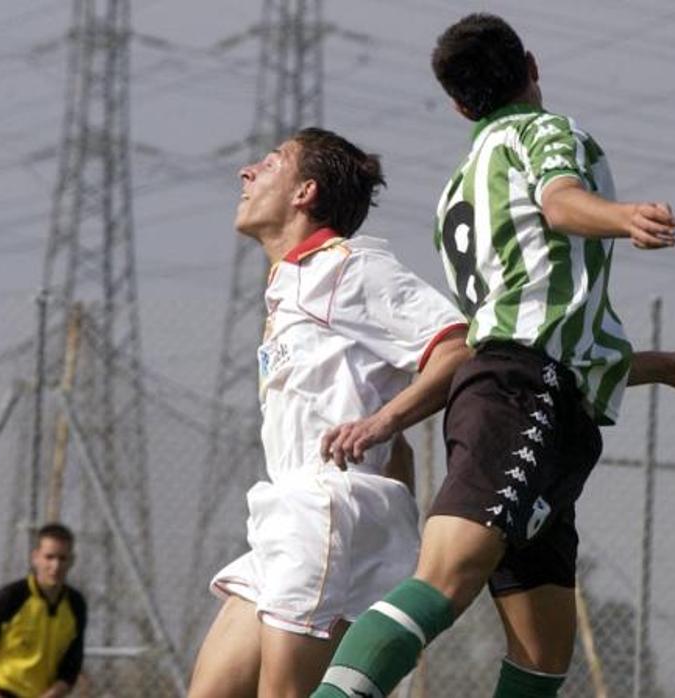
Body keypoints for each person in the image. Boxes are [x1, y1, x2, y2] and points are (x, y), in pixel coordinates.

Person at [313, 13, 675, 698]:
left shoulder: (461, 185)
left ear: (457, 104)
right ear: (532, 66)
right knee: (445, 578)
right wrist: (623, 216)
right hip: (519, 396)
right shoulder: (543, 133)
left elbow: (533, 317)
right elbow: (562, 203)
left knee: (543, 650)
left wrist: (661, 366)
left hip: (536, 395)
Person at [185, 127, 471, 698]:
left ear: (304, 192)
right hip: (287, 510)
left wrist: (383, 423)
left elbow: (457, 348)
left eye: (270, 164)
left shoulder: (348, 268)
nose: (247, 172)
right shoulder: (292, 281)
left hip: (322, 510)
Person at [0, 523, 86, 698]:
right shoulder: (8, 597)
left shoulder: (76, 605)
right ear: (35, 558)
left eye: (62, 558)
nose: (55, 566)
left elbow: (70, 670)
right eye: (49, 557)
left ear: (72, 561)